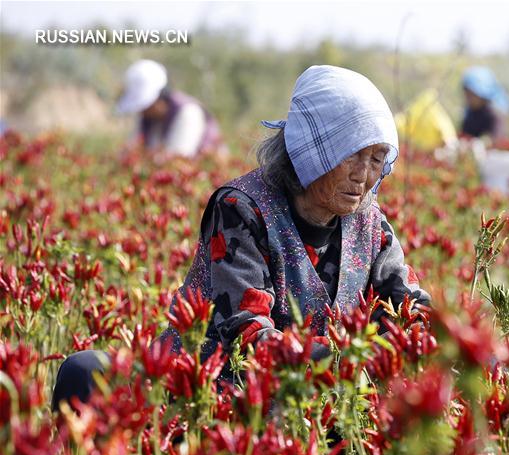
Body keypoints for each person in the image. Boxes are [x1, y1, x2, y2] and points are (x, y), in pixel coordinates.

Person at [53, 65, 429, 409]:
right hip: (213, 383)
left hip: (316, 394)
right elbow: (246, 332)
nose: (364, 176)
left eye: (377, 159)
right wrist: (345, 358)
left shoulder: (370, 225)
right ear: (314, 149)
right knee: (83, 371)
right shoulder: (242, 208)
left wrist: (452, 344)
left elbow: (411, 305)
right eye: (352, 155)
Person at [117, 59, 223, 158]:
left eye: (145, 105)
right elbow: (131, 148)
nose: (141, 111)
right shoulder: (147, 118)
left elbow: (178, 157)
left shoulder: (188, 113)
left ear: (159, 98)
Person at [460, 66, 509, 143]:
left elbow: (497, 141)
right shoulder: (470, 114)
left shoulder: (494, 115)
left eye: (471, 94)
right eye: (466, 93)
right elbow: (464, 136)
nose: (467, 97)